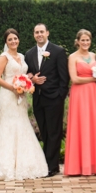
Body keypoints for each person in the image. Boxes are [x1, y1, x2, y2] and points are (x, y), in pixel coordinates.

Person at [0, 28, 49, 180]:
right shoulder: (4, 57)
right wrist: (13, 88)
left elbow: (24, 74)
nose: (13, 41)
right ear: (6, 42)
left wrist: (28, 80)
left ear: (19, 40)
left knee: (22, 124)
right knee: (8, 126)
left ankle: (24, 163)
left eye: (15, 38)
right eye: (10, 39)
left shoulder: (22, 56)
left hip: (21, 96)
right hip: (8, 95)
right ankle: (5, 165)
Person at [24, 23, 69, 178]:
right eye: (36, 32)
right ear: (33, 35)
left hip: (54, 99)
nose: (39, 34)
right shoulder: (29, 54)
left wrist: (60, 96)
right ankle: (46, 163)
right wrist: (32, 79)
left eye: (42, 32)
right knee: (44, 132)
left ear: (47, 33)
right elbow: (27, 74)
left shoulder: (58, 51)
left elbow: (64, 77)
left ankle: (52, 166)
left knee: (54, 132)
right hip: (38, 99)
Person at [63, 29, 96, 176]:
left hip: (94, 94)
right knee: (81, 125)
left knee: (94, 125)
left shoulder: (93, 55)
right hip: (79, 94)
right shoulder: (72, 57)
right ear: (77, 42)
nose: (85, 43)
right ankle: (78, 166)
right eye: (82, 40)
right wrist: (94, 79)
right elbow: (74, 79)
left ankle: (95, 164)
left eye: (87, 40)